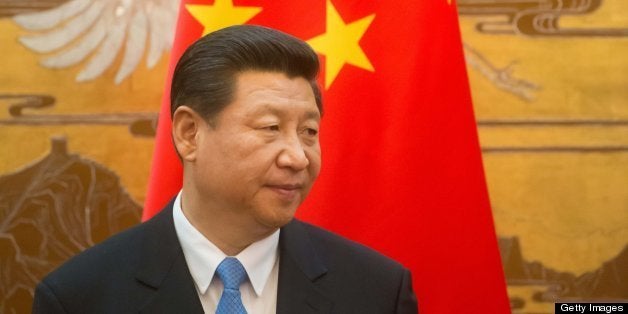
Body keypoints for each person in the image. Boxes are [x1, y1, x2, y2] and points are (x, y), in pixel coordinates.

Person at [32, 25, 418, 314]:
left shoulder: (377, 291)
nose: (298, 157)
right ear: (189, 134)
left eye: (309, 131)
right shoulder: (80, 296)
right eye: (270, 128)